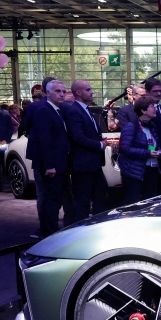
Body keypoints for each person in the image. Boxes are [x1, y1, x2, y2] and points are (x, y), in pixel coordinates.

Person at [27, 79, 73, 237]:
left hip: (59, 163)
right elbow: (43, 139)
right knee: (51, 202)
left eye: (63, 91)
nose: (61, 94)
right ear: (47, 93)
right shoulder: (44, 110)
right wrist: (49, 165)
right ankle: (48, 236)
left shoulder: (57, 110)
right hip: (50, 165)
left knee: (55, 200)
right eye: (57, 91)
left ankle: (50, 234)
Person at [65, 79, 107, 221]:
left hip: (93, 163)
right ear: (78, 92)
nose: (92, 92)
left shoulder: (86, 109)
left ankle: (96, 226)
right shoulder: (74, 111)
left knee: (100, 197)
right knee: (82, 202)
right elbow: (77, 137)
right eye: (88, 89)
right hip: (83, 165)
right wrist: (100, 145)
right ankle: (80, 230)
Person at [119, 96, 161, 204]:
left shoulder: (152, 126)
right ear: (143, 110)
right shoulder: (131, 126)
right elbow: (125, 148)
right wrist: (148, 153)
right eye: (152, 107)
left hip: (151, 169)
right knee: (132, 203)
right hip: (134, 171)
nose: (155, 109)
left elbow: (151, 144)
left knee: (150, 202)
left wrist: (158, 151)